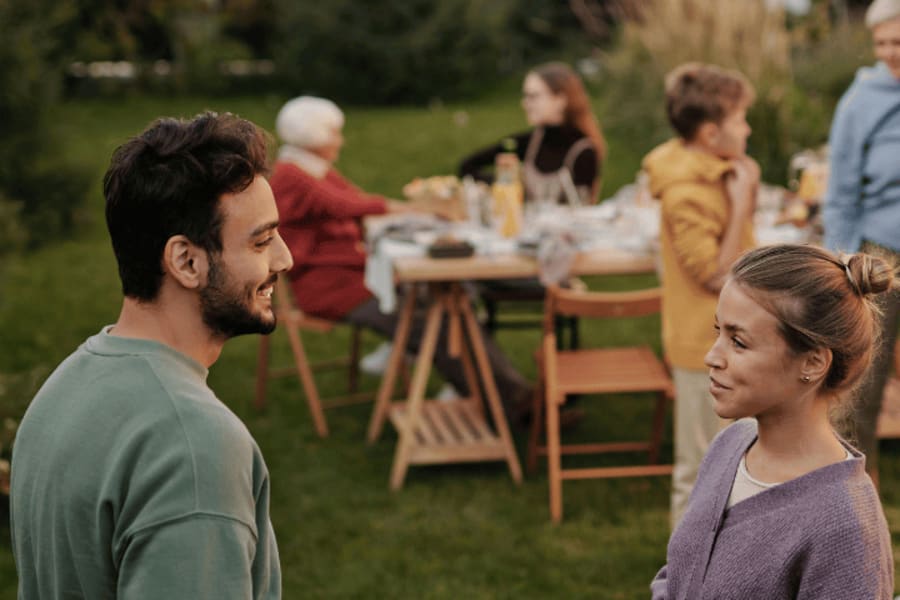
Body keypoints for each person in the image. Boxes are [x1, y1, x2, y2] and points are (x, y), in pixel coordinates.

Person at [10, 113, 287, 596]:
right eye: (262, 240)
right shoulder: (196, 447)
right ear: (186, 261)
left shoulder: (65, 387)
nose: (285, 258)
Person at [651, 243, 895, 599]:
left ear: (812, 362)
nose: (711, 357)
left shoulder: (844, 524)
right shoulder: (731, 445)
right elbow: (680, 573)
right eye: (718, 331)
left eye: (739, 342)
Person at [269, 96, 533, 411]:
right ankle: (504, 399)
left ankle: (499, 393)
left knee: (446, 305)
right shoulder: (293, 175)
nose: (340, 140)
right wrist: (417, 208)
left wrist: (410, 211)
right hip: (327, 287)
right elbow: (347, 205)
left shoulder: (310, 168)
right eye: (335, 133)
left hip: (350, 276)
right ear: (316, 139)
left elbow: (354, 197)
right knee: (431, 318)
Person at [642, 62, 759, 528]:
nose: (747, 128)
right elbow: (715, 274)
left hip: (733, 337)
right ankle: (685, 580)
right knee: (700, 470)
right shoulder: (685, 192)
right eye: (740, 120)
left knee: (736, 464)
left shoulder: (718, 171)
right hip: (701, 347)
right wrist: (741, 202)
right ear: (711, 134)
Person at [822, 0, 900, 486]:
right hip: (882, 253)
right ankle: (849, 490)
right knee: (862, 380)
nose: (892, 52)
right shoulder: (860, 101)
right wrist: (842, 259)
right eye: (883, 43)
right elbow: (841, 191)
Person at [458, 61, 606, 204]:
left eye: (533, 96)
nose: (525, 103)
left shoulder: (582, 152)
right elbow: (468, 165)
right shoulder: (529, 142)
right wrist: (506, 186)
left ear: (560, 100)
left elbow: (583, 211)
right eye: (525, 96)